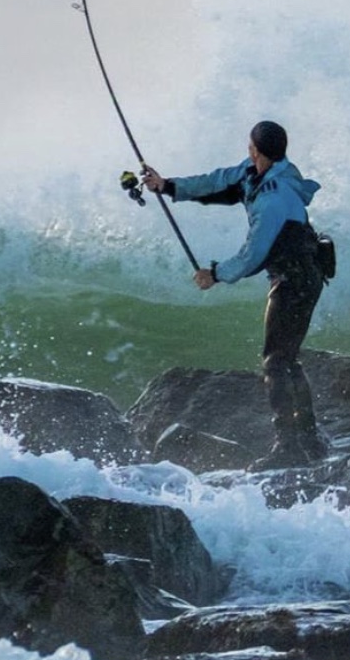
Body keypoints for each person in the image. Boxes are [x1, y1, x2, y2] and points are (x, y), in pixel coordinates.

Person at [140, 120, 328, 470]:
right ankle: (308, 439)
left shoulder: (275, 198)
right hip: (289, 275)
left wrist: (215, 274)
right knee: (286, 357)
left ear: (255, 150)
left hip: (299, 280)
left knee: (277, 361)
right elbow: (218, 183)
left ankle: (290, 446)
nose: (247, 151)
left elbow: (252, 256)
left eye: (249, 146)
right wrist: (167, 186)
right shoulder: (254, 171)